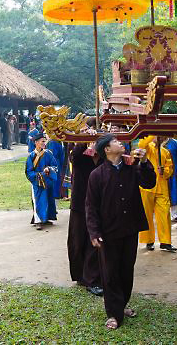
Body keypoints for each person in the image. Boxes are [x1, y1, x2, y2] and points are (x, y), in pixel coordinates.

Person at [86, 134, 154, 330]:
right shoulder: (97, 175)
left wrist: (145, 161)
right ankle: (113, 314)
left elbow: (149, 183)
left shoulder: (131, 168)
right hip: (108, 232)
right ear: (106, 150)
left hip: (129, 228)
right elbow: (91, 207)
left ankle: (121, 304)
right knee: (110, 272)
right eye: (115, 141)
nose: (120, 143)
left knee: (126, 269)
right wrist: (94, 232)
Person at [67, 121, 103, 296]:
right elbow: (73, 156)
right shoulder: (80, 155)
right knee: (77, 240)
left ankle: (92, 279)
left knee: (94, 242)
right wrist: (83, 139)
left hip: (97, 206)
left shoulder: (104, 157)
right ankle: (80, 275)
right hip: (80, 204)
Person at [137, 136, 176, 252]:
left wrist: (164, 172)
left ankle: (165, 242)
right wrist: (152, 133)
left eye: (162, 136)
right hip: (147, 187)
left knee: (164, 214)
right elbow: (141, 144)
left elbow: (170, 168)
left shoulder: (165, 152)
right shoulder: (147, 148)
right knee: (146, 214)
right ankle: (149, 240)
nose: (160, 138)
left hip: (162, 186)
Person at [25, 132, 58, 229]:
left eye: (45, 141)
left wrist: (49, 169)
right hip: (37, 182)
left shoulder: (48, 153)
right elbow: (28, 172)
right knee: (38, 200)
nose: (44, 143)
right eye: (42, 141)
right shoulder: (31, 156)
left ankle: (46, 218)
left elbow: (55, 166)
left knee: (48, 199)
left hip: (48, 181)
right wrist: (39, 176)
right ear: (36, 142)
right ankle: (38, 220)